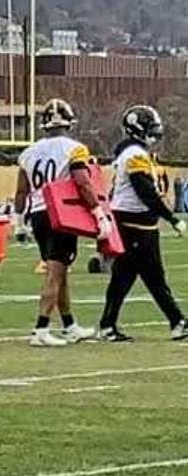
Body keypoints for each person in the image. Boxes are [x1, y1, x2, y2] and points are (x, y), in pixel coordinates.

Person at [13, 99, 105, 347]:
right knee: (55, 272)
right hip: (62, 214)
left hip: (38, 214)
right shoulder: (75, 149)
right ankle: (41, 329)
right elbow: (83, 182)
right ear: (69, 123)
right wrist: (97, 211)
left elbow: (21, 192)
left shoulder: (29, 152)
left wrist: (19, 223)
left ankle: (69, 325)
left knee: (60, 270)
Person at [98, 105, 188, 342]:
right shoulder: (135, 155)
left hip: (132, 221)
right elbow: (145, 191)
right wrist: (172, 218)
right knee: (151, 276)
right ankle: (177, 321)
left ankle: (108, 325)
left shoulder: (131, 153)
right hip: (135, 223)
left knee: (126, 277)